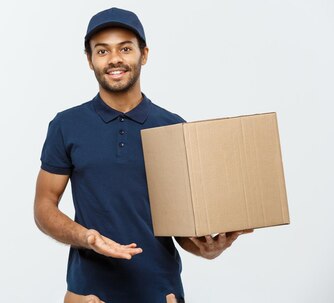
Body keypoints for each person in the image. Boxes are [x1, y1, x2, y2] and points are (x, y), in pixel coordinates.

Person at [33, 7, 252, 303]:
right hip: (89, 294)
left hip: (160, 293)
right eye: (102, 51)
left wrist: (205, 248)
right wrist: (87, 237)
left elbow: (181, 227)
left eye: (125, 48)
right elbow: (44, 206)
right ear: (89, 60)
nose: (114, 59)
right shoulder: (66, 125)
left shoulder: (173, 127)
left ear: (144, 54)